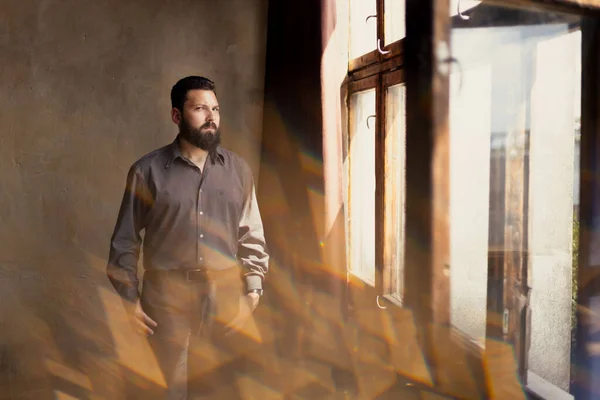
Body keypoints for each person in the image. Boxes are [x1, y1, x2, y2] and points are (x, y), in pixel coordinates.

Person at [106, 76, 269, 399]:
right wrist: (129, 299)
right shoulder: (146, 171)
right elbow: (124, 240)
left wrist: (251, 293)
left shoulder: (238, 170)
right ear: (177, 116)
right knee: (163, 389)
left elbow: (252, 235)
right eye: (200, 108)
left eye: (216, 109)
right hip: (165, 296)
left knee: (218, 388)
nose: (211, 117)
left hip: (223, 292)